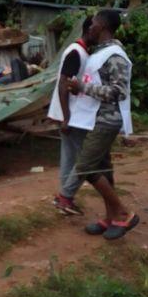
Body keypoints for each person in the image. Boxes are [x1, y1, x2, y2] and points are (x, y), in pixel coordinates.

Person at [66, 9, 138, 240]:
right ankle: (110, 218)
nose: (90, 26)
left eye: (94, 22)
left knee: (86, 166)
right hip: (94, 118)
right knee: (104, 170)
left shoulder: (115, 55)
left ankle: (123, 213)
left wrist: (82, 88)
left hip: (107, 120)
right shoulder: (101, 53)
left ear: (104, 27)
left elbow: (119, 92)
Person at [47, 16, 95, 215]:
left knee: (69, 157)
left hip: (69, 114)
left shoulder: (81, 52)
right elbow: (63, 84)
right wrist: (67, 117)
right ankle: (66, 196)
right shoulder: (76, 52)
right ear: (90, 30)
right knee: (87, 158)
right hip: (71, 115)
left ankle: (64, 198)